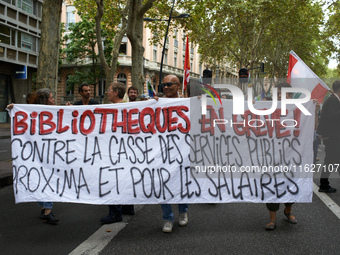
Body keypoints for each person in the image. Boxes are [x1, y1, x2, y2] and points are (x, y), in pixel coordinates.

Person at [7, 88, 59, 224]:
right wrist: (13, 109)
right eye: (52, 98)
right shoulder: (33, 113)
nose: (54, 100)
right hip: (36, 155)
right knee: (44, 179)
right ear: (45, 100)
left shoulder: (56, 112)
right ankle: (47, 210)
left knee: (45, 180)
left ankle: (45, 209)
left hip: (49, 154)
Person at [100, 82, 135, 224]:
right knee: (125, 179)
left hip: (114, 152)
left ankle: (115, 213)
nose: (106, 92)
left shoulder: (114, 108)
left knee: (112, 180)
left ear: (115, 92)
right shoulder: (127, 107)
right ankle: (127, 207)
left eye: (108, 90)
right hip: (125, 151)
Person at [265, 82, 297, 230]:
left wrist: (314, 110)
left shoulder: (297, 110)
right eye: (277, 94)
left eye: (283, 94)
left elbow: (311, 128)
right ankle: (272, 219)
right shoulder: (266, 108)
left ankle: (288, 211)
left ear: (290, 95)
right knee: (272, 185)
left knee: (290, 184)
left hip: (290, 155)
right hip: (271, 155)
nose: (279, 96)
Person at [159, 75, 189, 233]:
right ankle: (167, 218)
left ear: (178, 85)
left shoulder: (187, 103)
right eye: (163, 85)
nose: (166, 87)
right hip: (161, 153)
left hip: (182, 152)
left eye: (169, 84)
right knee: (163, 184)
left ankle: (183, 211)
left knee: (182, 183)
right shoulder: (156, 103)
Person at [316, 80, 340, 193]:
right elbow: (333, 117)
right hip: (332, 137)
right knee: (330, 161)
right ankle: (323, 184)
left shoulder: (333, 99)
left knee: (332, 161)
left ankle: (324, 184)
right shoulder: (333, 101)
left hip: (332, 136)